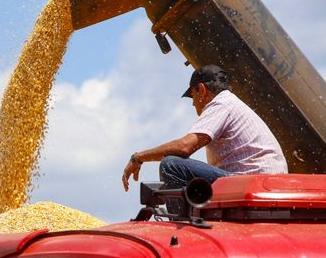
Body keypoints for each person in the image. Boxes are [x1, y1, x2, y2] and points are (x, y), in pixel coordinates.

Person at [122, 64, 288, 213]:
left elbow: (184, 147)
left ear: (201, 90)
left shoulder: (221, 104)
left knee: (171, 165)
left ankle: (182, 231)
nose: (193, 104)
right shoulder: (232, 104)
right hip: (266, 184)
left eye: (192, 96)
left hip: (252, 184)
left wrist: (138, 157)